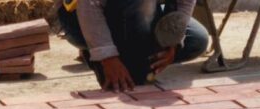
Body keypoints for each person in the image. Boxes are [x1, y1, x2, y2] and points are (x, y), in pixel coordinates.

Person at [57, 0, 210, 91]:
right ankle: (104, 56)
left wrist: (173, 40)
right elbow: (89, 4)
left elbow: (184, 2)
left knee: (195, 40)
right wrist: (107, 56)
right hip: (79, 17)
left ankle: (134, 57)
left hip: (135, 10)